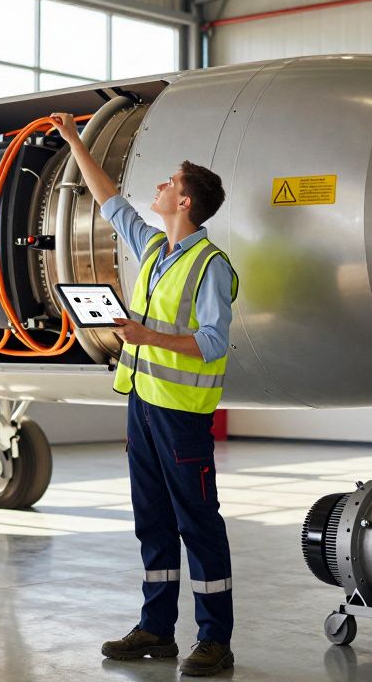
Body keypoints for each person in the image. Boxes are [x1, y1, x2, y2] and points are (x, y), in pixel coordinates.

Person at [49, 112, 238, 677]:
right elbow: (110, 202)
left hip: (182, 417)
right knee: (151, 521)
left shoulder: (211, 266)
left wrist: (146, 335)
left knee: (197, 523)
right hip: (143, 407)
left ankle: (215, 639)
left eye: (169, 182)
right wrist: (74, 141)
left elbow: (213, 342)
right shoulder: (155, 250)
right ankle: (156, 629)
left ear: (185, 202)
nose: (159, 186)